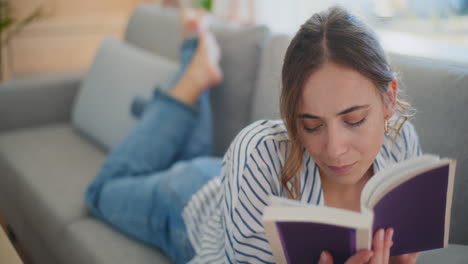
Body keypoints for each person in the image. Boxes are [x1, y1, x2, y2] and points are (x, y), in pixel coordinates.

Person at [85, 6, 422, 264]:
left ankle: (196, 65)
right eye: (311, 125)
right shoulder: (258, 148)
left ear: (389, 99)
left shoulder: (401, 141)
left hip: (238, 179)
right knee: (101, 192)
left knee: (191, 154)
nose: (333, 150)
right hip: (191, 199)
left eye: (355, 119)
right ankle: (193, 70)